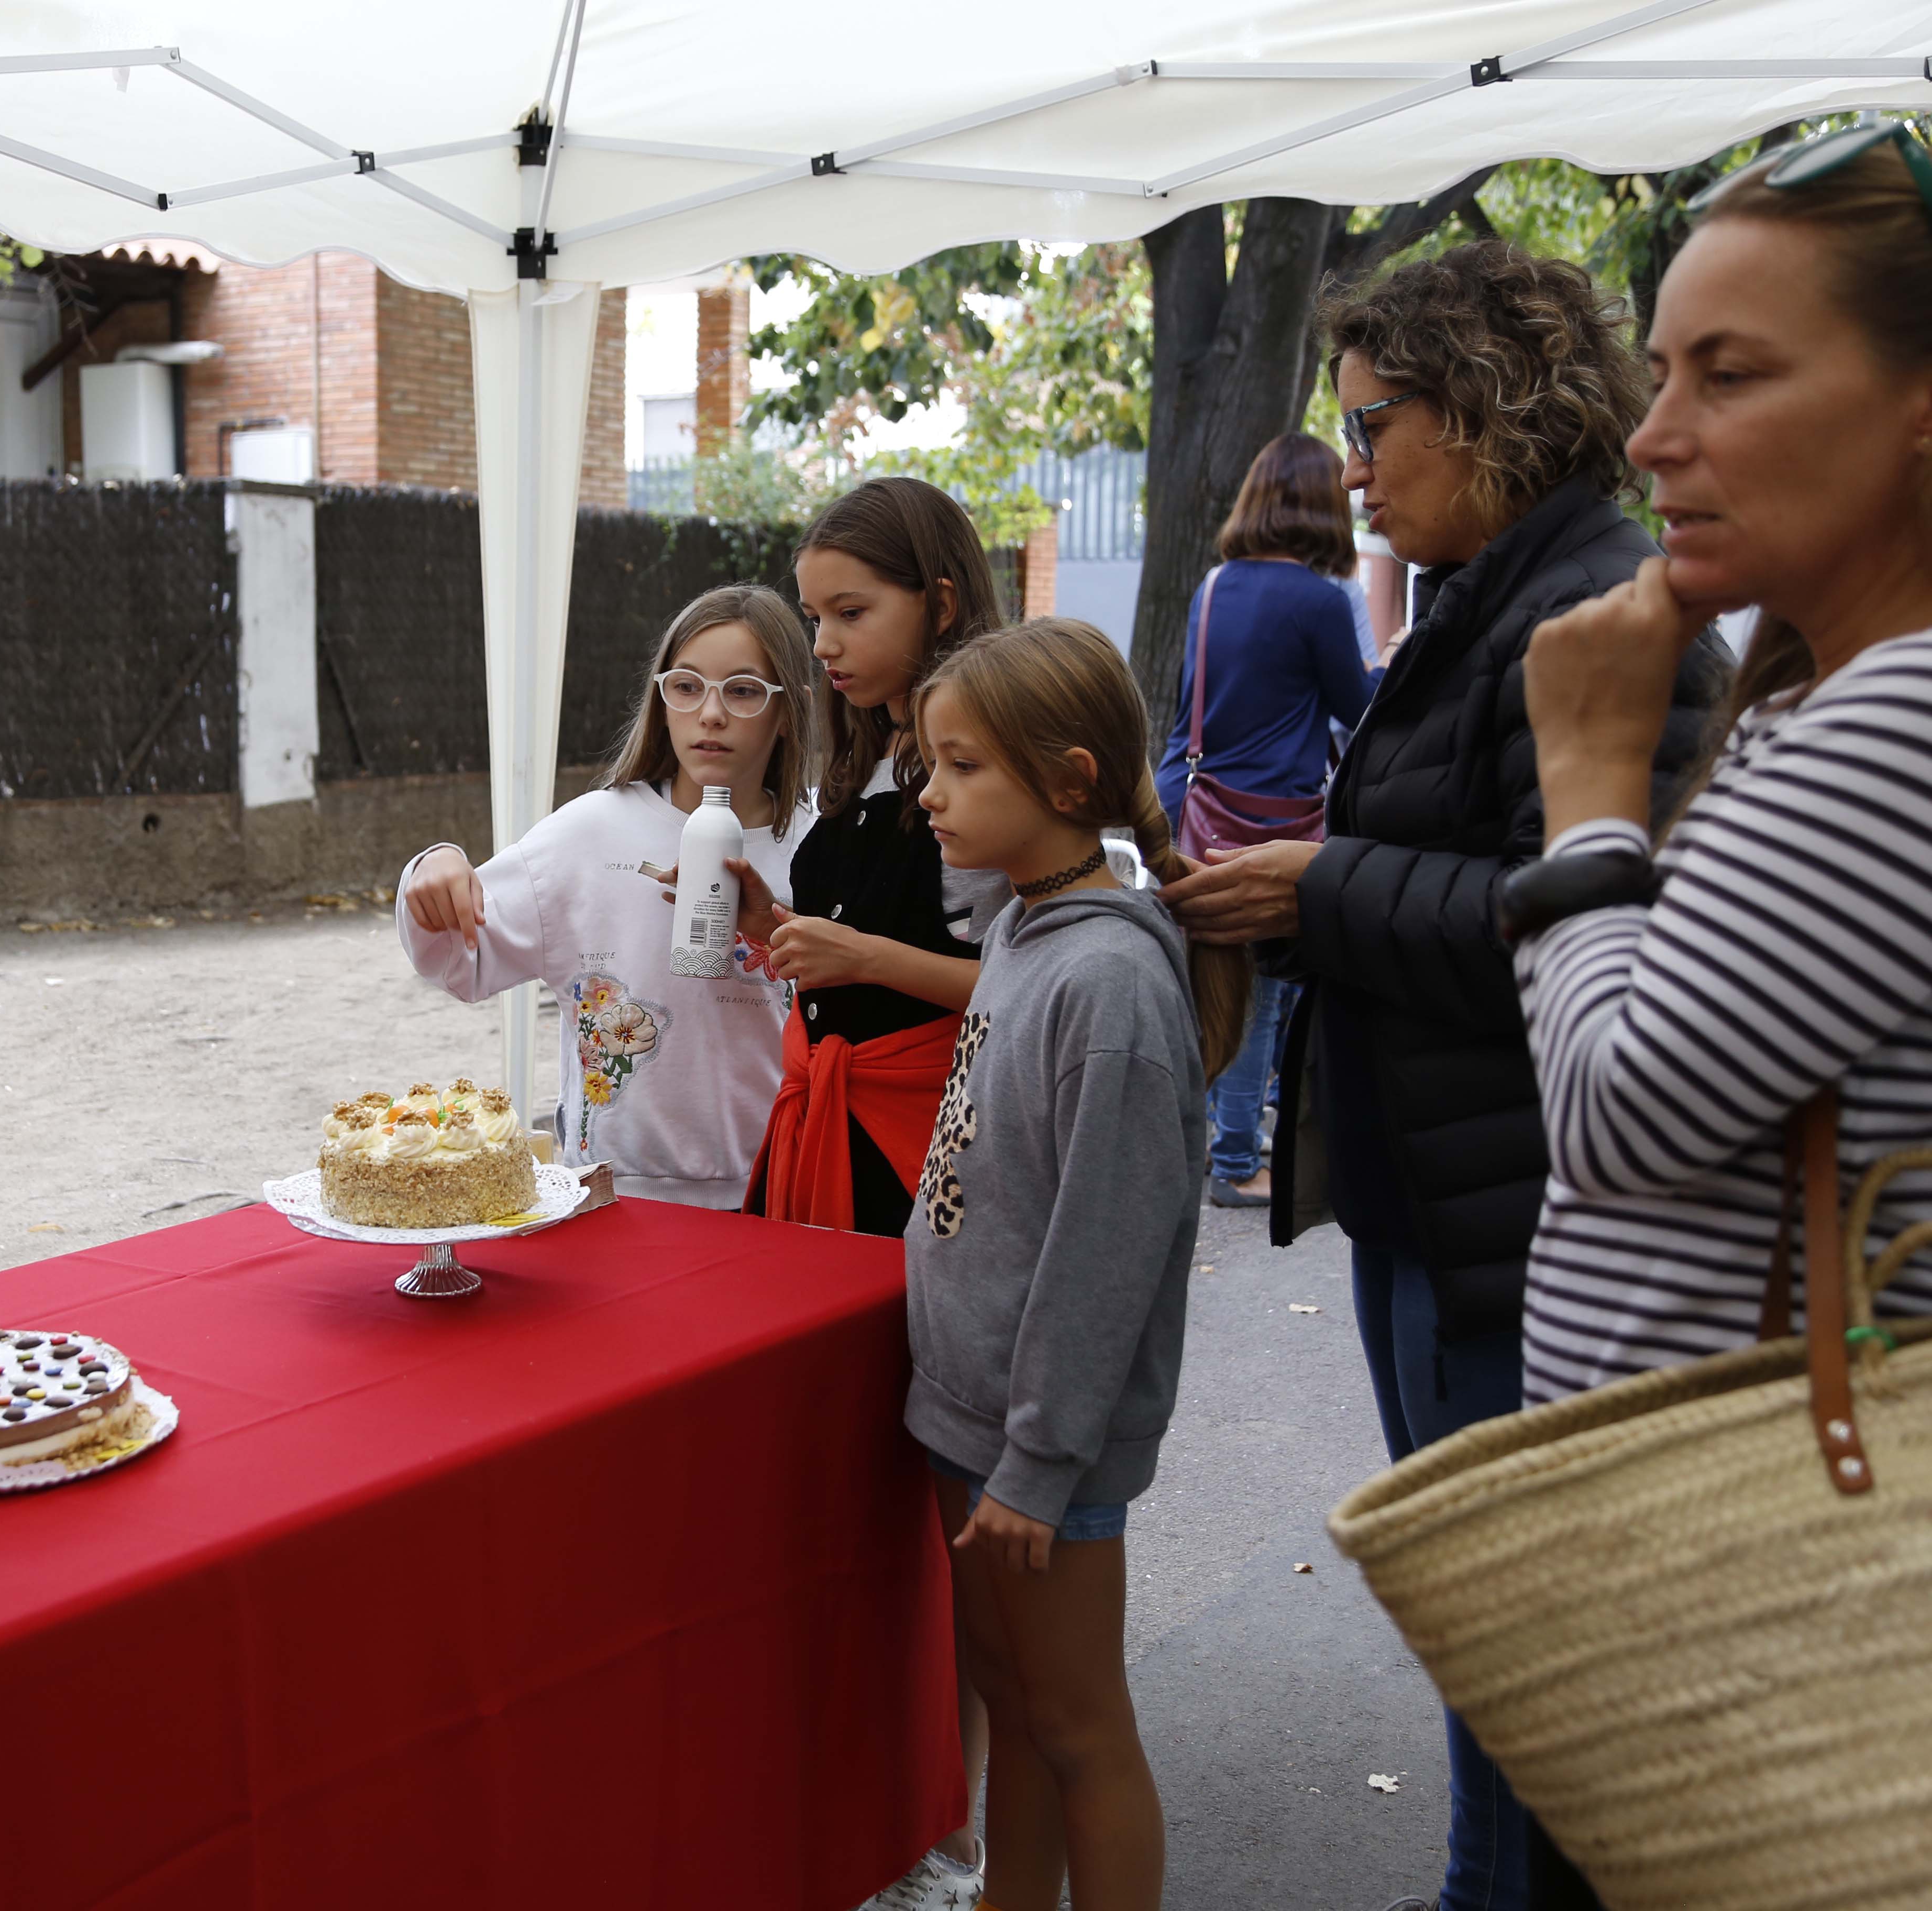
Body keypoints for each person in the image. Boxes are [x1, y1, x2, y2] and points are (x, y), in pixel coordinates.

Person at [1157, 238, 1731, 1911]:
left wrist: (1317, 887)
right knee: (1488, 1637)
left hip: (1522, 1222)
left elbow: (1584, 911)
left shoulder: (1602, 609)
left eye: (1376, 421)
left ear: (1491, 405)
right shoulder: (1495, 591)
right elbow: (1482, 856)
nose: (1353, 465)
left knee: (1531, 1656)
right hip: (1440, 1197)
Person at [1507, 125, 1932, 1909]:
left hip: (1749, 1559)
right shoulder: (1828, 694)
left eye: (1730, 372)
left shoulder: (1890, 721)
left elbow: (1615, 1109)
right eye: (1662, 366)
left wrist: (1589, 777)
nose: (1653, 431)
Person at [908, 617, 1247, 1911]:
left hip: (1036, 1451)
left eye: (961, 767)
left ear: (1062, 780)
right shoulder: (1026, 926)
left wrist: (1040, 1464)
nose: (929, 793)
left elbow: (1100, 1256)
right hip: (976, 1419)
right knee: (1014, 1698)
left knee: (1079, 1726)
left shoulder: (1107, 986)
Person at [396, 584, 818, 1206]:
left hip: (779, 1190)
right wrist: (432, 869)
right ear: (661, 696)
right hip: (618, 1195)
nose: (711, 713)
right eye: (687, 685)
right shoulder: (591, 832)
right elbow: (460, 955)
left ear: (789, 712)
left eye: (744, 691)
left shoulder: (823, 847)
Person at [739, 477, 1005, 1240]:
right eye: (816, 616)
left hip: (928, 1154)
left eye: (852, 614)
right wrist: (778, 926)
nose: (823, 644)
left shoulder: (984, 775)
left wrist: (866, 957)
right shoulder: (867, 758)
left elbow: (1033, 989)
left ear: (942, 605)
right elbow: (870, 941)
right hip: (827, 1133)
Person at [1152, 433, 1374, 1210]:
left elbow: (1193, 708)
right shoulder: (1316, 599)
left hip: (1192, 803)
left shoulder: (1214, 587)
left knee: (1213, 984)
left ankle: (1225, 1134)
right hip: (1266, 818)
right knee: (1259, 991)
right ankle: (1239, 1158)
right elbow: (1360, 710)